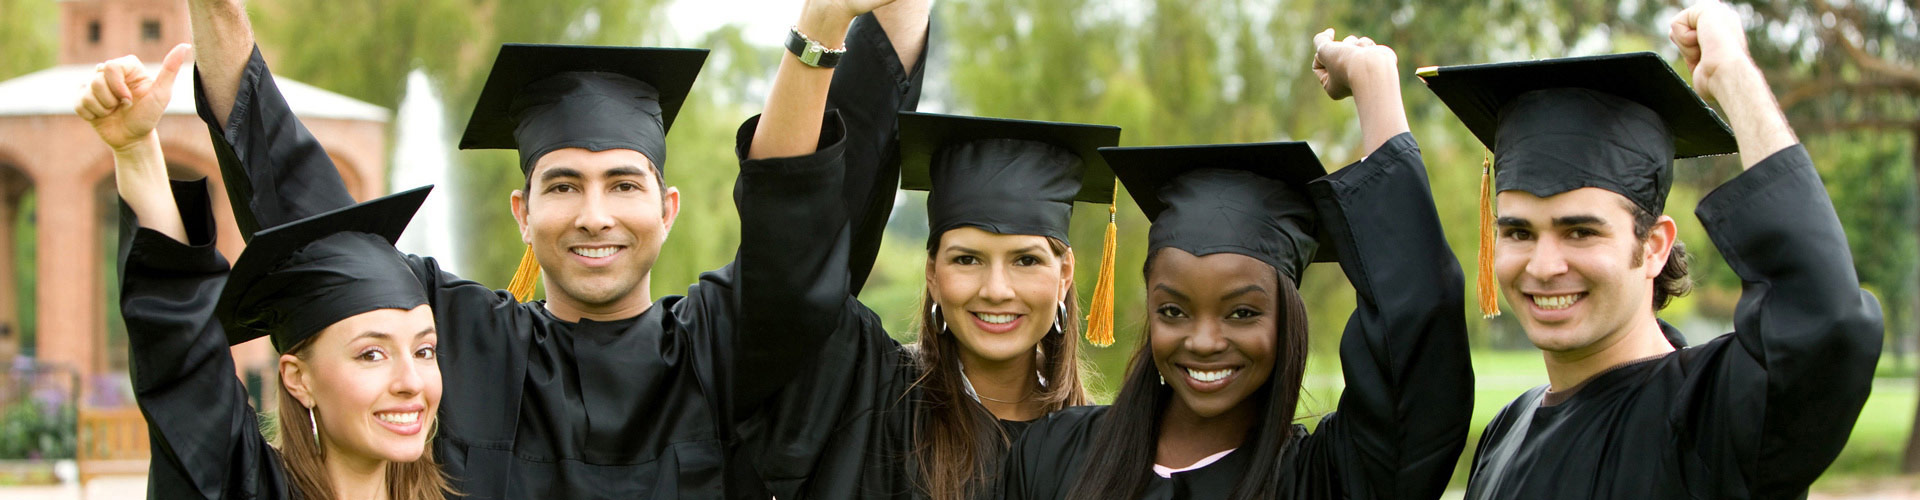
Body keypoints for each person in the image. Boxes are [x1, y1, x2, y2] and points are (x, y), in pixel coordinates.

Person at [179, 0, 929, 496]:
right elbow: (308, 211)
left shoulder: (718, 350)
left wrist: (839, 27)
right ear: (523, 213)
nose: (594, 215)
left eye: (624, 185)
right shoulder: (461, 341)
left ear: (666, 211)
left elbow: (797, 235)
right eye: (564, 185)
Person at [1419, 1, 1884, 497]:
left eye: (1581, 232)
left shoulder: (1708, 417)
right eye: (1518, 232)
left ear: (1655, 246)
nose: (1544, 265)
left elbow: (1827, 323)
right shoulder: (1506, 430)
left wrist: (1734, 77)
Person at [996, 30, 1471, 500]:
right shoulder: (1055, 455)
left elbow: (1419, 339)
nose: (1203, 342)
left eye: (1242, 312)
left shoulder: (1322, 479)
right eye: (1173, 311)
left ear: (1287, 319)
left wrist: (1374, 82)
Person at [83, 45, 452, 499]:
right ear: (299, 379)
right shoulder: (250, 488)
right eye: (371, 354)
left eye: (425, 351)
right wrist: (135, 148)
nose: (411, 382)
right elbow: (180, 355)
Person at [735, 111, 1121, 500]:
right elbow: (788, 250)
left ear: (1065, 274)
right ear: (933, 274)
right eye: (967, 259)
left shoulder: (1106, 449)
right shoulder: (869, 398)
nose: (997, 290)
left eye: (1026, 260)